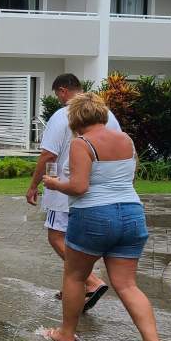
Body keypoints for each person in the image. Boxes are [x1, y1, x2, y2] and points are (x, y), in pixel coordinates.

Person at [41, 93, 164, 341]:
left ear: (75, 118)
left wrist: (54, 183)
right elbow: (128, 178)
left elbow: (79, 186)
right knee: (128, 285)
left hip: (94, 216)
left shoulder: (82, 143)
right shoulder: (126, 140)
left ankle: (66, 335)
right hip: (132, 214)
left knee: (75, 276)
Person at [27, 73, 120, 312]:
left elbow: (49, 155)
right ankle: (73, 287)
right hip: (100, 191)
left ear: (62, 91)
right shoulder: (108, 115)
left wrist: (33, 185)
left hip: (65, 189)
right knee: (78, 241)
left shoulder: (63, 115)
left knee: (56, 237)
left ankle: (91, 281)